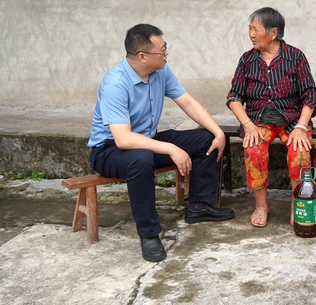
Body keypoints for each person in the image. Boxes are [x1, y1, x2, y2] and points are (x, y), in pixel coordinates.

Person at [88, 24, 235, 263]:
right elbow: (123, 139)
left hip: (147, 141)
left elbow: (187, 102)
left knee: (206, 138)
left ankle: (198, 207)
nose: (166, 54)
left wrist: (218, 132)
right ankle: (149, 233)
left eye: (165, 48)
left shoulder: (161, 71)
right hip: (109, 150)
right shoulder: (115, 84)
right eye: (162, 50)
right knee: (141, 158)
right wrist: (171, 148)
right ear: (142, 56)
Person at [226, 7, 316, 228]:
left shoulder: (295, 56)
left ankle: (298, 203)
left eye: (256, 29)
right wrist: (247, 124)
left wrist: (302, 126)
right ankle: (261, 206)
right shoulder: (247, 59)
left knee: (299, 152)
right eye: (250, 29)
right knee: (253, 150)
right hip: (258, 121)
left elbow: (310, 95)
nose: (251, 34)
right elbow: (234, 96)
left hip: (292, 120)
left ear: (274, 32)